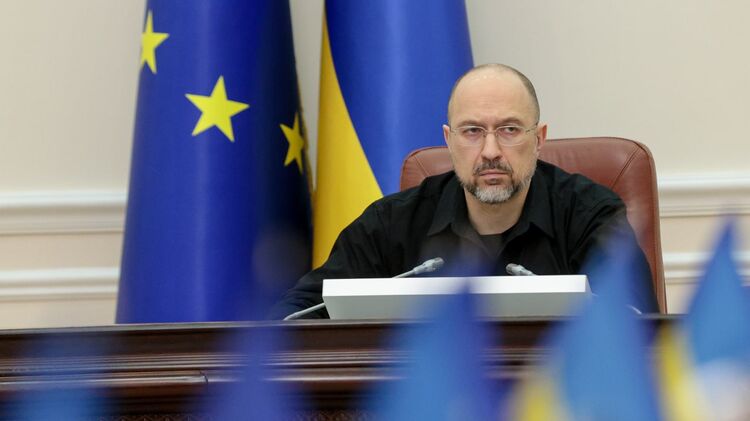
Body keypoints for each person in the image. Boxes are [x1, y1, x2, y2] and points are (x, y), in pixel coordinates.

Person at [269, 63, 658, 319]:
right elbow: (295, 315)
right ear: (449, 140)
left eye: (509, 130)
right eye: (472, 131)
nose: (490, 151)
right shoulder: (392, 224)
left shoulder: (589, 215)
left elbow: (638, 324)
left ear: (539, 139)